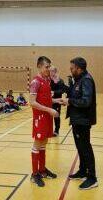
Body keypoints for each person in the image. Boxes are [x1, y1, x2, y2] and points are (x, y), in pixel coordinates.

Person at [62, 57, 98, 190]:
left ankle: (92, 178)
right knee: (80, 147)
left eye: (72, 68)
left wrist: (70, 101)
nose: (71, 70)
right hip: (77, 119)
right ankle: (83, 171)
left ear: (79, 68)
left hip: (83, 120)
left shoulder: (86, 80)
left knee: (85, 148)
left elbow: (86, 101)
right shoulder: (79, 80)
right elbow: (75, 94)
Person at [29, 56, 62, 187]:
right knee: (37, 144)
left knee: (44, 143)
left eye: (49, 66)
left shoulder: (46, 81)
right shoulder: (35, 82)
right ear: (39, 66)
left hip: (47, 116)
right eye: (46, 67)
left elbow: (45, 99)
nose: (48, 69)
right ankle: (34, 174)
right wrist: (49, 110)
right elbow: (32, 102)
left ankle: (42, 170)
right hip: (40, 117)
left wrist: (56, 101)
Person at [50, 66, 67, 136]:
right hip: (48, 101)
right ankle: (48, 130)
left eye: (52, 71)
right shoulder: (47, 80)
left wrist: (54, 92)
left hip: (57, 102)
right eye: (50, 71)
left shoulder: (60, 81)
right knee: (48, 116)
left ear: (55, 72)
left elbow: (62, 90)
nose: (51, 73)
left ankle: (56, 130)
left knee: (56, 116)